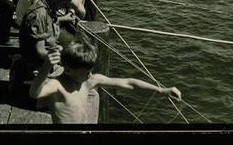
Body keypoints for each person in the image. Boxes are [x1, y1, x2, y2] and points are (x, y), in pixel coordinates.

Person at [28, 37, 182, 124]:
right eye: (86, 72)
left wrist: (162, 90)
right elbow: (35, 93)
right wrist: (47, 65)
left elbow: (128, 83)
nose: (90, 75)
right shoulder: (57, 85)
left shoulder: (89, 82)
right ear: (68, 70)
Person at [9, 0, 77, 103]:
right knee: (73, 92)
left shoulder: (46, 8)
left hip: (43, 65)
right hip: (35, 70)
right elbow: (40, 51)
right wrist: (64, 59)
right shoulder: (39, 14)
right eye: (63, 4)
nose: (63, 7)